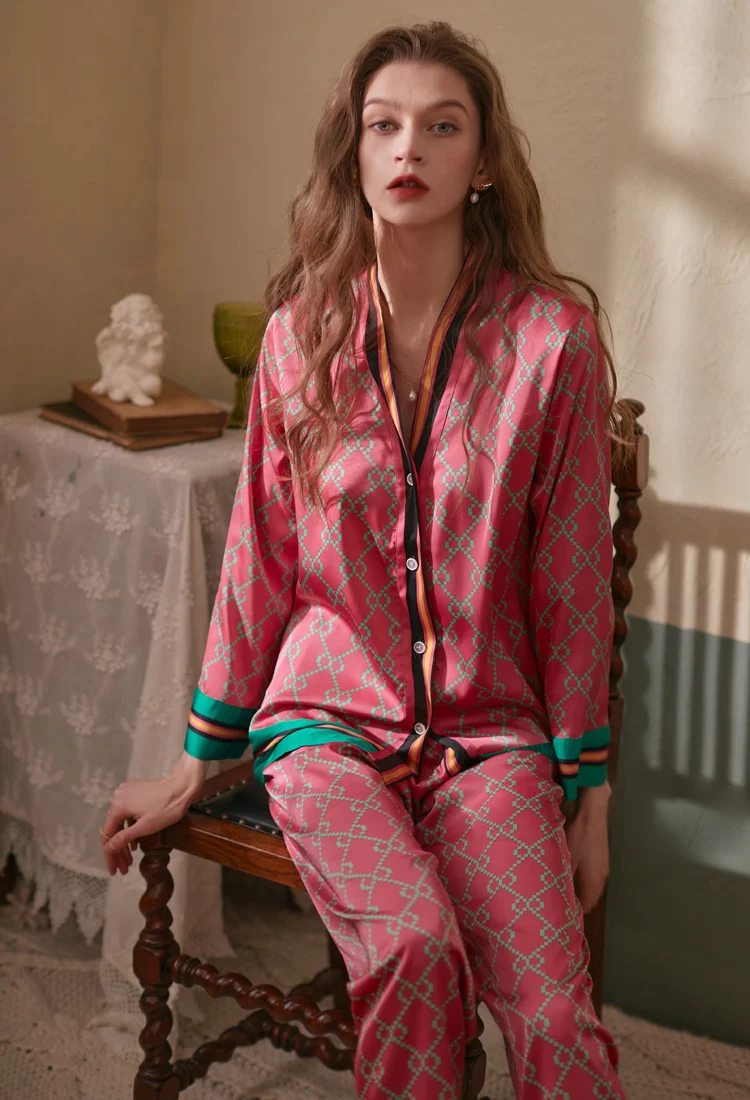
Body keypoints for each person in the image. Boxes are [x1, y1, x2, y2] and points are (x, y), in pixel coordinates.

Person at [101, 21, 631, 1100]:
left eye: (442, 126)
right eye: (384, 126)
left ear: (484, 161)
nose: (409, 149)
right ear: (354, 152)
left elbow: (573, 582)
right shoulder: (300, 335)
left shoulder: (552, 343)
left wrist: (589, 796)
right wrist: (197, 758)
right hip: (327, 727)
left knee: (555, 1016)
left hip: (492, 735)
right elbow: (260, 554)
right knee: (413, 950)